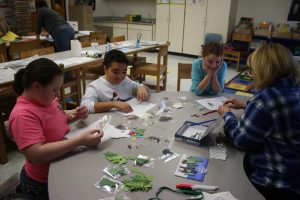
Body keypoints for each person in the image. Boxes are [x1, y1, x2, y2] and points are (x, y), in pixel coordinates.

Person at [9, 58, 103, 199]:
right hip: (43, 182)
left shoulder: (45, 99)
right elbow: (36, 155)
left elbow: (53, 117)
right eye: (54, 89)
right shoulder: (22, 115)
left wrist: (74, 114)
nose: (58, 94)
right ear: (36, 87)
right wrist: (80, 141)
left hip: (62, 164)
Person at [217, 43, 300, 200]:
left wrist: (227, 115)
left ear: (264, 71)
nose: (251, 75)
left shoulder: (265, 99)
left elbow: (241, 141)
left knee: (225, 174)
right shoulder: (295, 89)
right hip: (295, 175)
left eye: (252, 71)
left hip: (273, 181)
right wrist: (245, 105)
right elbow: (277, 113)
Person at [81, 49, 150, 113]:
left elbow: (141, 87)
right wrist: (113, 104)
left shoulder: (125, 80)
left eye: (124, 72)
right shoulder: (95, 87)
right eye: (115, 72)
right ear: (105, 68)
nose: (120, 76)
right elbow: (85, 106)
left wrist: (142, 87)